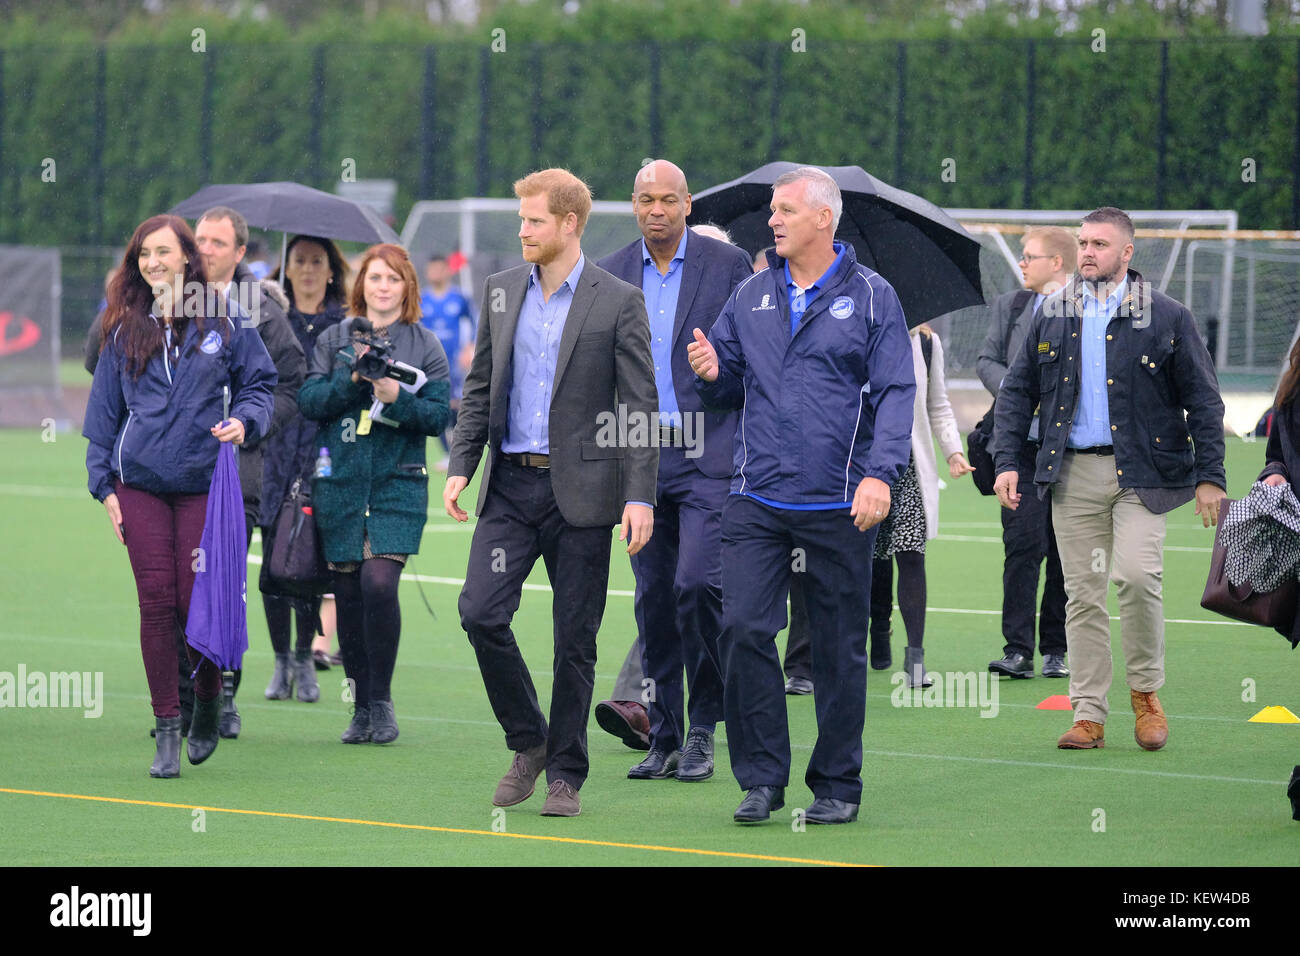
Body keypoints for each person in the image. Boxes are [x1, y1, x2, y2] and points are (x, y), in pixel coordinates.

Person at [688, 167, 915, 825]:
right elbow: (726, 385)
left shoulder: (874, 297)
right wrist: (711, 374)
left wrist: (880, 475)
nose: (773, 219)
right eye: (771, 209)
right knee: (743, 629)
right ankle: (761, 779)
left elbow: (897, 391)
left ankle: (838, 785)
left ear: (824, 218)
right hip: (756, 497)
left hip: (842, 501)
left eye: (786, 209)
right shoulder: (752, 294)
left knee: (838, 649)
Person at [445, 168, 659, 818]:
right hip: (510, 487)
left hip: (586, 497)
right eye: (522, 219)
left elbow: (639, 405)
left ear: (569, 223)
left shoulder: (618, 300)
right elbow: (481, 386)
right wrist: (462, 463)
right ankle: (529, 741)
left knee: (575, 640)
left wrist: (640, 495)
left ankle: (566, 772)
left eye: (534, 220)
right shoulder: (501, 290)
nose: (523, 230)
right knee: (480, 612)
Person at [992, 206, 1227, 751]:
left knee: (1138, 578)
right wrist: (1007, 462)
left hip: (1142, 476)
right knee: (1082, 596)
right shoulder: (1052, 311)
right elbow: (1016, 394)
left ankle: (1145, 694)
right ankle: (1088, 714)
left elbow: (1203, 399)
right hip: (1070, 474)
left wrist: (1210, 476)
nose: (1088, 251)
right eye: (1083, 242)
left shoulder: (1167, 316)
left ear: (1127, 253)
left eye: (1099, 243)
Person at [83, 214, 275, 777]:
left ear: (187, 258)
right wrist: (103, 487)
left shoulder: (225, 319)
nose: (153, 262)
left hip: (202, 486)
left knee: (197, 604)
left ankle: (209, 697)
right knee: (156, 603)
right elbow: (103, 417)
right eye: (144, 253)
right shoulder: (121, 327)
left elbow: (261, 384)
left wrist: (245, 420)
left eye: (163, 251)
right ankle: (167, 726)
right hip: (138, 485)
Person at [595, 160, 753, 783]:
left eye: (668, 200)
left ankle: (705, 728)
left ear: (688, 203)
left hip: (708, 451)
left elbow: (749, 363)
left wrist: (718, 371)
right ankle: (662, 734)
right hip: (637, 453)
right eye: (646, 200)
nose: (657, 210)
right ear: (633, 205)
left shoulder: (728, 268)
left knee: (696, 587)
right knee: (654, 598)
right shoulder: (608, 272)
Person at [298, 243, 451, 746]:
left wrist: (396, 397)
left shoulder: (424, 343)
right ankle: (359, 706)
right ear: (360, 285)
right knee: (346, 595)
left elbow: (439, 415)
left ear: (407, 287)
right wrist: (353, 380)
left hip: (396, 485)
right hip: (340, 483)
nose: (383, 287)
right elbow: (309, 400)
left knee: (379, 585)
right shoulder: (335, 338)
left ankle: (381, 703)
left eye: (393, 278)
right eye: (375, 278)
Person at [194, 206, 307, 735]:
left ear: (241, 252)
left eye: (218, 242)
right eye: (199, 240)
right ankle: (180, 696)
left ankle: (225, 696)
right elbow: (100, 359)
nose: (205, 251)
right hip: (169, 472)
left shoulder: (258, 306)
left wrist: (251, 423)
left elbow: (291, 382)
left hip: (237, 471)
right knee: (177, 586)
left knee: (225, 584)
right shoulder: (168, 299)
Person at [977, 226, 1074, 680]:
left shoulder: (1086, 310)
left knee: (1066, 552)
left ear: (1057, 263)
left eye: (1030, 256)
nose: (1022, 263)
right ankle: (1018, 649)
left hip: (1071, 452)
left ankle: (1057, 648)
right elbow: (986, 361)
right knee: (1022, 546)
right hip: (1018, 450)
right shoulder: (1010, 306)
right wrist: (1020, 391)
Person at [265, 235, 353, 689]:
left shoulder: (345, 323)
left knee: (309, 558)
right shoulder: (271, 316)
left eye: (317, 261)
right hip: (274, 447)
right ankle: (281, 658)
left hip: (323, 451)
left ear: (331, 269)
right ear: (287, 267)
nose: (308, 269)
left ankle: (304, 655)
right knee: (273, 562)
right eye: (298, 261)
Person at [419, 254, 477, 471]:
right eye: (431, 269)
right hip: (430, 364)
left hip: (454, 364)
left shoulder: (459, 297)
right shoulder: (422, 299)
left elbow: (475, 322)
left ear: (446, 271)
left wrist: (470, 347)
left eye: (438, 269)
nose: (434, 273)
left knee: (457, 406)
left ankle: (460, 451)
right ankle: (447, 453)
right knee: (436, 404)